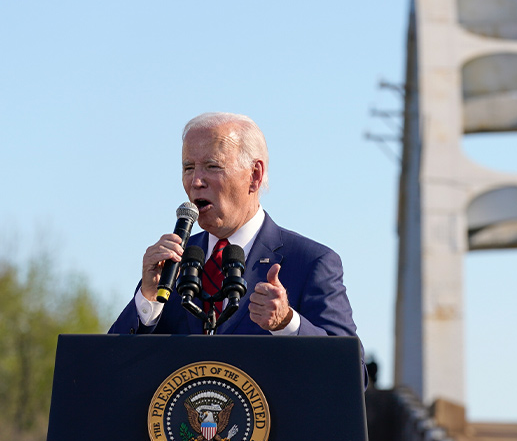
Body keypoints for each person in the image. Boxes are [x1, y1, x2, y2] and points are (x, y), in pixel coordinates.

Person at [109, 112, 359, 343]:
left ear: (254, 175)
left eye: (212, 166)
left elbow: (352, 374)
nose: (196, 181)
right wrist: (147, 300)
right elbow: (109, 367)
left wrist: (287, 323)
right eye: (188, 168)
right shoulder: (171, 265)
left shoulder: (311, 262)